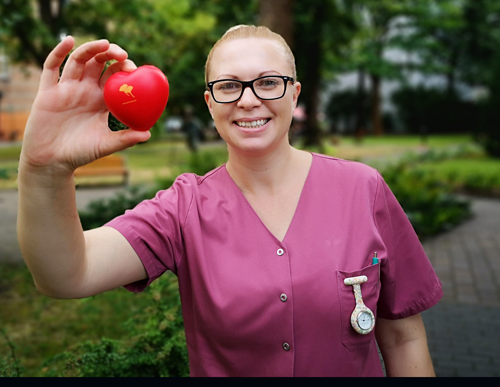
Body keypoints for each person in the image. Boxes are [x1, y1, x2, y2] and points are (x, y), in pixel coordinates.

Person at [17, 25, 442, 377]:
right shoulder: (183, 210)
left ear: (294, 95)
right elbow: (66, 275)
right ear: (210, 104)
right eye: (228, 86)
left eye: (268, 82)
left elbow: (404, 337)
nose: (248, 98)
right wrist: (44, 170)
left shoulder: (363, 189)